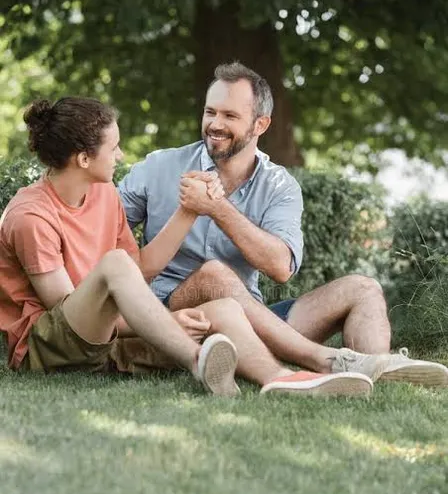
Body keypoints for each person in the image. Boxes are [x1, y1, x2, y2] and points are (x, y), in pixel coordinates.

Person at [0, 96, 376, 399]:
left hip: (102, 341)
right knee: (116, 265)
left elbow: (141, 267)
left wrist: (189, 210)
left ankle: (282, 379)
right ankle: (198, 361)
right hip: (47, 345)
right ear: (83, 159)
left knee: (226, 307)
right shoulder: (30, 216)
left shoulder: (103, 197)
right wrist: (166, 324)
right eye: (113, 148)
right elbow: (66, 315)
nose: (120, 155)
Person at [118, 62, 448, 388]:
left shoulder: (279, 185)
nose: (214, 124)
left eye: (230, 116)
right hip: (173, 316)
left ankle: (377, 370)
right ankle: (326, 360)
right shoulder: (158, 167)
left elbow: (280, 267)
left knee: (364, 288)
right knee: (213, 275)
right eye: (210, 112)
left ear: (260, 124)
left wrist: (218, 209)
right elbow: (105, 228)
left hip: (251, 318)